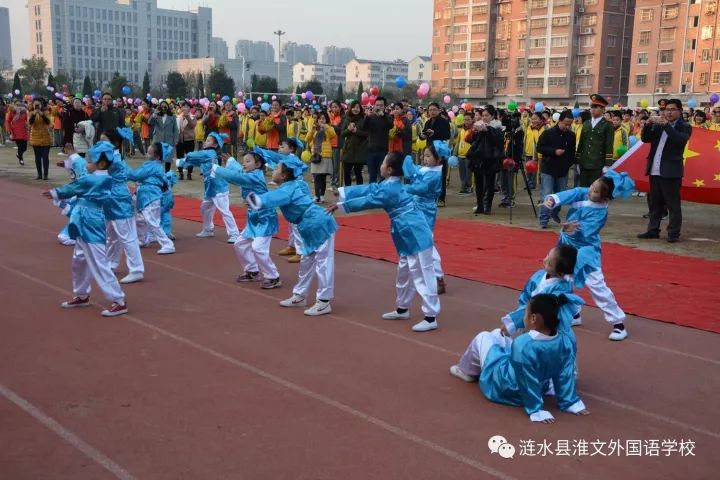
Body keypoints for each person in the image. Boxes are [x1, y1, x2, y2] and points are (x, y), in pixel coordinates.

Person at [328, 152, 440, 332]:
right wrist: (343, 192)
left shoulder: (390, 189)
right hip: (405, 231)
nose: (380, 165)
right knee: (404, 271)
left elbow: (369, 200)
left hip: (415, 230)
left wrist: (341, 206)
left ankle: (430, 316)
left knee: (421, 271)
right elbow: (370, 189)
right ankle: (402, 308)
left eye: (382, 162)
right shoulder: (389, 184)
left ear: (388, 169)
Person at [449, 294, 589, 423]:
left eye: (526, 312)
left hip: (507, 387)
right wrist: (571, 402)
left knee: (484, 336)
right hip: (542, 384)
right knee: (498, 334)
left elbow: (526, 379)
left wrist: (536, 409)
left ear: (533, 318)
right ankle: (567, 399)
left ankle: (466, 371)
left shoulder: (523, 344)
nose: (523, 316)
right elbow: (565, 372)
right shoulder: (566, 338)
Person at [543, 170, 635, 340]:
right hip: (566, 245)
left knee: (597, 286)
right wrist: (552, 199)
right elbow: (570, 193)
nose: (589, 190)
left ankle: (618, 324)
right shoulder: (583, 192)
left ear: (605, 198)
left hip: (586, 252)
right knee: (562, 279)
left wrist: (569, 229)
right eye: (592, 186)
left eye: (594, 191)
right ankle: (574, 313)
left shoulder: (600, 213)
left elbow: (585, 231)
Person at [43, 141, 128, 317]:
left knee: (98, 261)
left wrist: (55, 193)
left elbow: (75, 186)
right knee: (79, 258)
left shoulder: (96, 178)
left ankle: (118, 300)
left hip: (91, 221)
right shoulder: (99, 177)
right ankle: (82, 294)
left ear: (101, 163)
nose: (86, 164)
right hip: (84, 218)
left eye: (89, 161)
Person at [247, 155, 338, 316]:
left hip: (318, 223)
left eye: (276, 169)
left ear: (283, 175)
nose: (273, 170)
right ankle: (300, 295)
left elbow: (272, 199)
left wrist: (258, 200)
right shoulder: (292, 185)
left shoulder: (288, 188)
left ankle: (324, 302)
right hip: (308, 225)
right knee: (306, 261)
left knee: (323, 262)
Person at [213, 152, 281, 289]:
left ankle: (273, 276)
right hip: (254, 218)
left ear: (258, 165)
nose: (244, 163)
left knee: (258, 248)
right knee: (240, 243)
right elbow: (239, 171)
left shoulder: (255, 176)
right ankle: (252, 271)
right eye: (243, 161)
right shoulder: (250, 173)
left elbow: (237, 177)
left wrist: (216, 169)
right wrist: (231, 161)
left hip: (265, 217)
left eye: (248, 161)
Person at [637, 98, 691, 243]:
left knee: (673, 204)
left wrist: (667, 125)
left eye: (673, 110)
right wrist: (647, 125)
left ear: (680, 111)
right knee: (655, 203)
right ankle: (653, 230)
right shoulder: (659, 125)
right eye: (667, 110)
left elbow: (679, 141)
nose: (669, 112)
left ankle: (673, 233)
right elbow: (645, 139)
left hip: (671, 171)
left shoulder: (684, 126)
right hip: (655, 169)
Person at [179, 132, 240, 243]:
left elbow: (194, 155)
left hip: (219, 186)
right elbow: (194, 160)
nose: (205, 142)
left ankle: (235, 233)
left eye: (208, 140)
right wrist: (183, 162)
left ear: (215, 145)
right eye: (206, 139)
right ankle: (208, 229)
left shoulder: (209, 153)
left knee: (224, 211)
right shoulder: (207, 155)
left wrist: (182, 160)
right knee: (204, 208)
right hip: (210, 187)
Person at [102, 131, 146, 285]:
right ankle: (111, 263)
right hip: (110, 199)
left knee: (127, 236)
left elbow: (133, 175)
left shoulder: (113, 160)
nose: (100, 144)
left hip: (119, 200)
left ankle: (136, 269)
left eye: (103, 141)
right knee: (112, 235)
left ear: (114, 144)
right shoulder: (112, 158)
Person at [403, 143, 446, 294]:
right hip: (416, 207)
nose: (424, 158)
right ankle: (425, 274)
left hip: (425, 210)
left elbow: (419, 188)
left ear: (438, 159)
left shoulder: (434, 175)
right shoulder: (427, 170)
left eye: (428, 156)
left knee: (426, 243)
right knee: (419, 242)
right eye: (423, 155)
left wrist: (403, 188)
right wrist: (406, 159)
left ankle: (438, 276)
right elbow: (412, 171)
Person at [126, 142, 176, 260]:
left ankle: (167, 244)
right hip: (146, 196)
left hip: (151, 196)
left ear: (157, 156)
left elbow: (136, 175)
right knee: (140, 219)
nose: (147, 153)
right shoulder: (153, 165)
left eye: (149, 152)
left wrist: (123, 167)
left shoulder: (152, 166)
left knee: (151, 221)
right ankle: (142, 240)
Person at [536, 110, 576, 229]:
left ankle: (554, 212)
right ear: (559, 121)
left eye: (570, 124)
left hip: (563, 170)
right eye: (565, 123)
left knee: (561, 195)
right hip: (548, 168)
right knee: (546, 194)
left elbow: (572, 152)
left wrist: (568, 164)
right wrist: (554, 152)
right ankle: (543, 219)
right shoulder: (548, 133)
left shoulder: (571, 135)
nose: (567, 126)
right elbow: (540, 148)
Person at [465, 109, 504, 215]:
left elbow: (499, 141)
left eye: (487, 115)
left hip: (490, 159)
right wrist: (474, 132)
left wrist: (487, 130)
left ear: (492, 116)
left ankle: (488, 205)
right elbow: (469, 140)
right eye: (483, 115)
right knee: (479, 183)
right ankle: (480, 205)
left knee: (490, 183)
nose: (484, 117)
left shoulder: (497, 127)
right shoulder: (478, 125)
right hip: (478, 158)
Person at [576, 94, 614, 187]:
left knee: (595, 189)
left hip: (598, 163)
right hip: (584, 162)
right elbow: (581, 143)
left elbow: (609, 145)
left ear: (603, 109)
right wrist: (577, 160)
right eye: (592, 107)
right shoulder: (586, 123)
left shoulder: (607, 125)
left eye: (596, 107)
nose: (593, 109)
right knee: (583, 188)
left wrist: (607, 164)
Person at [420, 102, 452, 206]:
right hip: (429, 151)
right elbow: (423, 135)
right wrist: (422, 136)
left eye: (434, 109)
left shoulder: (444, 122)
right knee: (429, 175)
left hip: (440, 151)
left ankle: (441, 199)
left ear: (438, 110)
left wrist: (435, 133)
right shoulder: (428, 122)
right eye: (430, 110)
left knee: (441, 175)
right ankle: (431, 197)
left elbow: (447, 135)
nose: (432, 111)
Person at [306, 111, 337, 203]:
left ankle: (322, 195)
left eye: (323, 118)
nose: (321, 120)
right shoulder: (315, 129)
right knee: (316, 177)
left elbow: (333, 134)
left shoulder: (329, 128)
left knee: (322, 177)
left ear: (326, 119)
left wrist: (326, 126)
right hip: (316, 155)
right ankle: (316, 195)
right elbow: (307, 139)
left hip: (325, 155)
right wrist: (312, 130)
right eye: (320, 118)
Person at [339, 100, 368, 186]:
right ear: (351, 108)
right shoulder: (347, 119)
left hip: (359, 151)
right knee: (347, 174)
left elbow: (367, 134)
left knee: (358, 174)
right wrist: (348, 130)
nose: (356, 109)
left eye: (358, 107)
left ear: (360, 109)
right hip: (348, 151)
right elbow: (342, 134)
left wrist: (356, 131)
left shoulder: (363, 120)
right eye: (354, 107)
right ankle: (348, 192)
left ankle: (359, 193)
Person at [364, 97, 392, 183]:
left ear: (384, 106)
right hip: (371, 150)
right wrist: (367, 117)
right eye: (377, 105)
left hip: (383, 150)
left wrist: (383, 116)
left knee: (382, 174)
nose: (379, 107)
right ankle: (372, 194)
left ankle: (382, 193)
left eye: (381, 105)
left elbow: (390, 126)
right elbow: (364, 127)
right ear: (374, 105)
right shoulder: (371, 116)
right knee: (372, 174)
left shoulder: (387, 117)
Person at [149, 101, 178, 172]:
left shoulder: (173, 116)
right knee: (157, 157)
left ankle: (166, 173)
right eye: (162, 106)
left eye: (165, 106)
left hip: (169, 139)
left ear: (168, 107)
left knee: (168, 158)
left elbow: (175, 129)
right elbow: (150, 123)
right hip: (158, 139)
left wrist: (175, 140)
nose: (164, 108)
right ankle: (157, 172)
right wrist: (154, 114)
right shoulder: (156, 116)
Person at [28, 98, 53, 180]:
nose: (37, 106)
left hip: (46, 138)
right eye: (35, 104)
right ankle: (39, 174)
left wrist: (42, 114)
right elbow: (30, 123)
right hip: (35, 138)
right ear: (33, 105)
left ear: (41, 105)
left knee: (45, 157)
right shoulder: (31, 113)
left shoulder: (46, 112)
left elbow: (48, 122)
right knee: (37, 157)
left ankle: (46, 175)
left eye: (38, 104)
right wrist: (34, 114)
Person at [176, 102, 197, 180]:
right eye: (184, 106)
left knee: (190, 157)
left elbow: (192, 125)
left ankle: (189, 173)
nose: (185, 108)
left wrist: (187, 117)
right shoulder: (178, 117)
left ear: (190, 108)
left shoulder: (192, 117)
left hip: (190, 139)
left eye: (187, 106)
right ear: (181, 108)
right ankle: (181, 173)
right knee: (179, 157)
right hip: (180, 140)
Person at [9, 100, 29, 166]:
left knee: (25, 147)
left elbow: (27, 120)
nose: (18, 106)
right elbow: (8, 121)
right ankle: (21, 159)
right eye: (16, 104)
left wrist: (28, 125)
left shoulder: (24, 112)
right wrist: (9, 130)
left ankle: (18, 154)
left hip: (23, 131)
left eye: (19, 105)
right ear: (14, 105)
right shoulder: (12, 112)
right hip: (15, 131)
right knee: (20, 147)